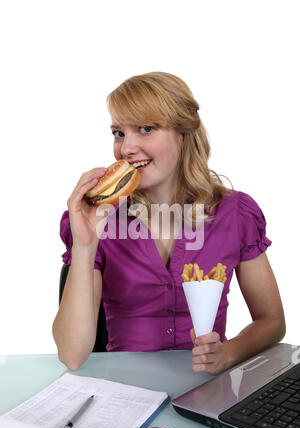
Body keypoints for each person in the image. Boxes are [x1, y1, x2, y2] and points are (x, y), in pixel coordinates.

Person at [52, 71, 286, 372]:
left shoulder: (235, 213)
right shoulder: (101, 221)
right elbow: (71, 355)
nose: (126, 149)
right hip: (127, 390)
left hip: (208, 390)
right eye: (119, 133)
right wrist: (85, 246)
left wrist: (228, 353)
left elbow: (272, 321)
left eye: (146, 129)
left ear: (183, 134)